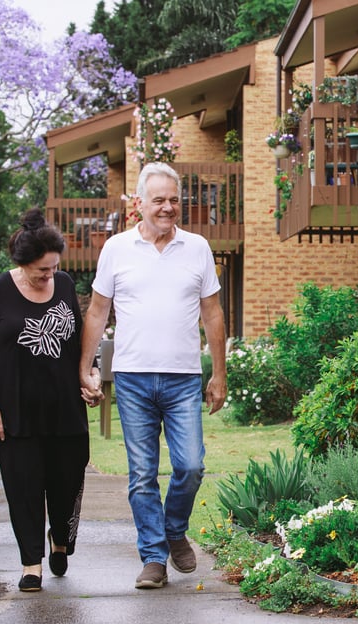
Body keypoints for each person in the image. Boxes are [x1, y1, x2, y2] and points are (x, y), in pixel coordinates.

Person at [79, 161, 228, 590]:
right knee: (142, 474)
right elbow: (97, 312)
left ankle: (174, 529)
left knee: (191, 466)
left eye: (174, 200)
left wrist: (219, 373)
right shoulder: (116, 249)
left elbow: (213, 313)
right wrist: (85, 367)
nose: (167, 207)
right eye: (159, 200)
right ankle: (153, 558)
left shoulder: (197, 247)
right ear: (139, 203)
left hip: (183, 379)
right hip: (133, 378)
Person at [0, 208, 101, 593]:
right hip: (17, 414)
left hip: (65, 409)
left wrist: (90, 376)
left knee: (66, 484)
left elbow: (78, 341)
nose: (50, 276)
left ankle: (60, 539)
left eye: (54, 268)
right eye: (43, 270)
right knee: (24, 490)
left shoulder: (64, 284)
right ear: (23, 262)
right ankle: (31, 564)